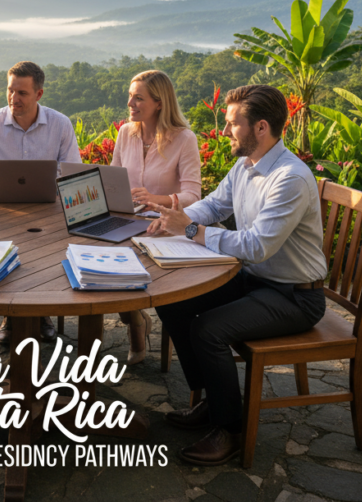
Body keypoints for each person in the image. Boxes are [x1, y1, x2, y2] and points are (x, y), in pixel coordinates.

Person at [146, 85, 327, 466]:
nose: (225, 131)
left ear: (261, 128)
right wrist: (177, 220)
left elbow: (257, 246)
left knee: (208, 329)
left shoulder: (289, 178)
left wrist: (190, 231)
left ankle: (229, 428)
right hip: (257, 281)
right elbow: (214, 204)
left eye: (232, 124)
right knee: (172, 303)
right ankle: (213, 400)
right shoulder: (246, 164)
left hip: (293, 295)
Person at [0, 61, 81, 344]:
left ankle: (41, 310)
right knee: (5, 248)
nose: (13, 99)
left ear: (39, 94)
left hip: (49, 208)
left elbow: (72, 172)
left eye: (22, 93)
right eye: (10, 91)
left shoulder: (60, 124)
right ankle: (11, 313)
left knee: (47, 251)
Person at [110, 70, 201, 365]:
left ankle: (137, 325)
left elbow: (192, 195)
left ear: (159, 103)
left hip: (163, 229)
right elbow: (112, 178)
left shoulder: (184, 139)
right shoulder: (126, 132)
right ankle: (137, 321)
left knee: (125, 278)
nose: (130, 103)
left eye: (138, 98)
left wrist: (155, 199)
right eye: (130, 96)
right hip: (127, 222)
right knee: (106, 276)